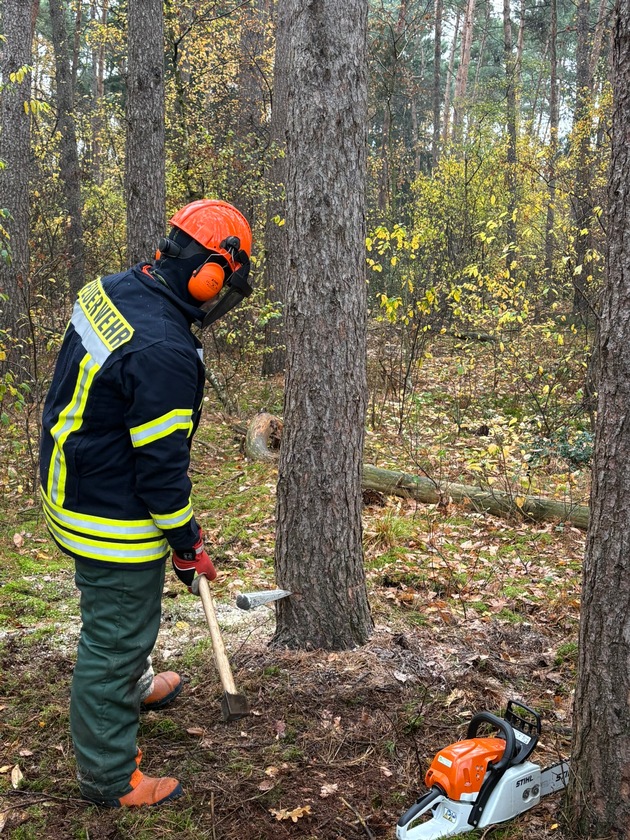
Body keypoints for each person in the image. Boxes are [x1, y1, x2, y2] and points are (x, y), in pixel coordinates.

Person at [39, 199, 252, 807]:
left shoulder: (111, 291)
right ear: (208, 271)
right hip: (106, 511)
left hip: (71, 477)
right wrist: (188, 545)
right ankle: (109, 775)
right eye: (222, 286)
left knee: (121, 615)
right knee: (114, 636)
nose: (218, 299)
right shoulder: (165, 350)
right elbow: (161, 474)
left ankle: (133, 685)